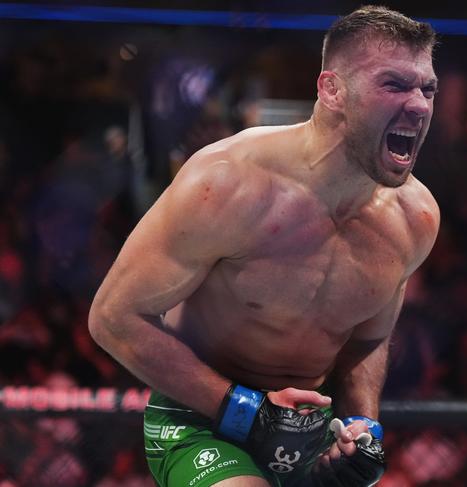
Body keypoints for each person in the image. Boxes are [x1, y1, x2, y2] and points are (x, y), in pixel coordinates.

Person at [89, 6, 439, 487]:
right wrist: (245, 411)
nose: (419, 105)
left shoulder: (415, 218)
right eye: (395, 85)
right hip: (201, 417)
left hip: (313, 427)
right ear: (332, 90)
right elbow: (113, 316)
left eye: (428, 88)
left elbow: (367, 339)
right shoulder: (229, 181)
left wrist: (362, 429)